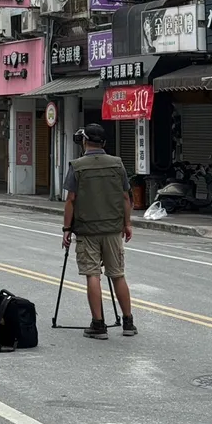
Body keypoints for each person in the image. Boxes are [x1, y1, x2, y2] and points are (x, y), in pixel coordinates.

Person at [62, 123, 138, 339]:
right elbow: (125, 197)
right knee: (118, 274)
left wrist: (67, 229)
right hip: (113, 228)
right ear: (103, 143)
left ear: (85, 141)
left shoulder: (77, 166)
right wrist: (127, 223)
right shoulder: (117, 164)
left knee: (92, 274)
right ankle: (128, 323)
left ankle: (99, 324)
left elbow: (71, 200)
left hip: (87, 229)